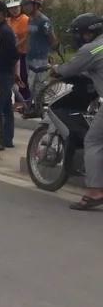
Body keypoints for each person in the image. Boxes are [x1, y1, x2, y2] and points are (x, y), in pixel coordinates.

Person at [50, 13, 103, 211]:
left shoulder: (91, 48)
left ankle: (96, 191)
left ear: (89, 33)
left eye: (79, 34)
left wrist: (55, 68)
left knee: (93, 141)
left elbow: (69, 68)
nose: (78, 37)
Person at [0, 1, 21, 150]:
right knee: (6, 107)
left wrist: (11, 71)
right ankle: (7, 138)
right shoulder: (2, 29)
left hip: (3, 73)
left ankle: (0, 140)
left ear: (0, 14)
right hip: (5, 72)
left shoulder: (4, 32)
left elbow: (14, 54)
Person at [21, 0, 56, 102]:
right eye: (23, 4)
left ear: (36, 5)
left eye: (27, 4)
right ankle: (34, 106)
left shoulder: (43, 21)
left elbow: (52, 39)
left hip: (40, 57)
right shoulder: (30, 19)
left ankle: (38, 107)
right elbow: (29, 35)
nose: (25, 7)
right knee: (30, 84)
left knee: (37, 85)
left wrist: (45, 51)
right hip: (30, 55)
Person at [5, 0, 31, 104]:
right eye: (11, 8)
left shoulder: (26, 20)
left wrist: (17, 44)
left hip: (23, 53)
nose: (14, 10)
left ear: (20, 7)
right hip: (12, 53)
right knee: (14, 77)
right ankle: (17, 101)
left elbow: (28, 36)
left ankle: (23, 102)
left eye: (16, 7)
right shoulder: (8, 21)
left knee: (23, 77)